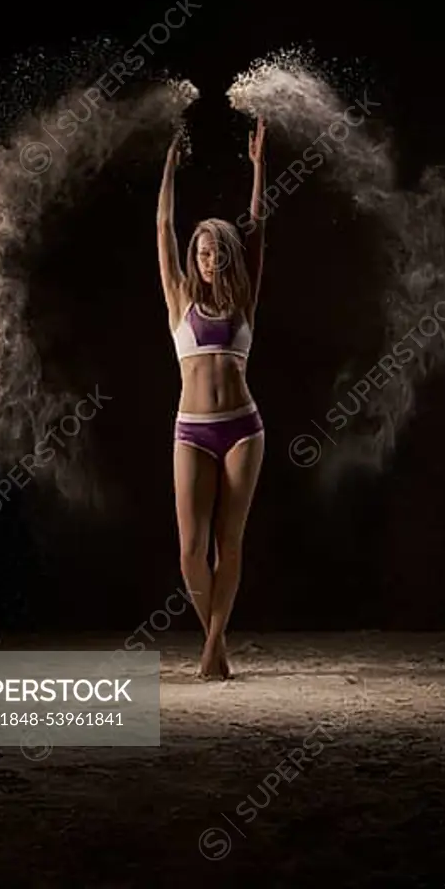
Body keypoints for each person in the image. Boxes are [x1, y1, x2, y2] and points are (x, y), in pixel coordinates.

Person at [156, 117, 267, 678]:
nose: (208, 259)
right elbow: (164, 227)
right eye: (202, 253)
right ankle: (214, 640)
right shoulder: (179, 301)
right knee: (190, 550)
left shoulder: (244, 300)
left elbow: (260, 230)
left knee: (229, 541)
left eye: (216, 252)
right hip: (191, 431)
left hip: (243, 429)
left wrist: (258, 168)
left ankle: (213, 647)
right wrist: (171, 167)